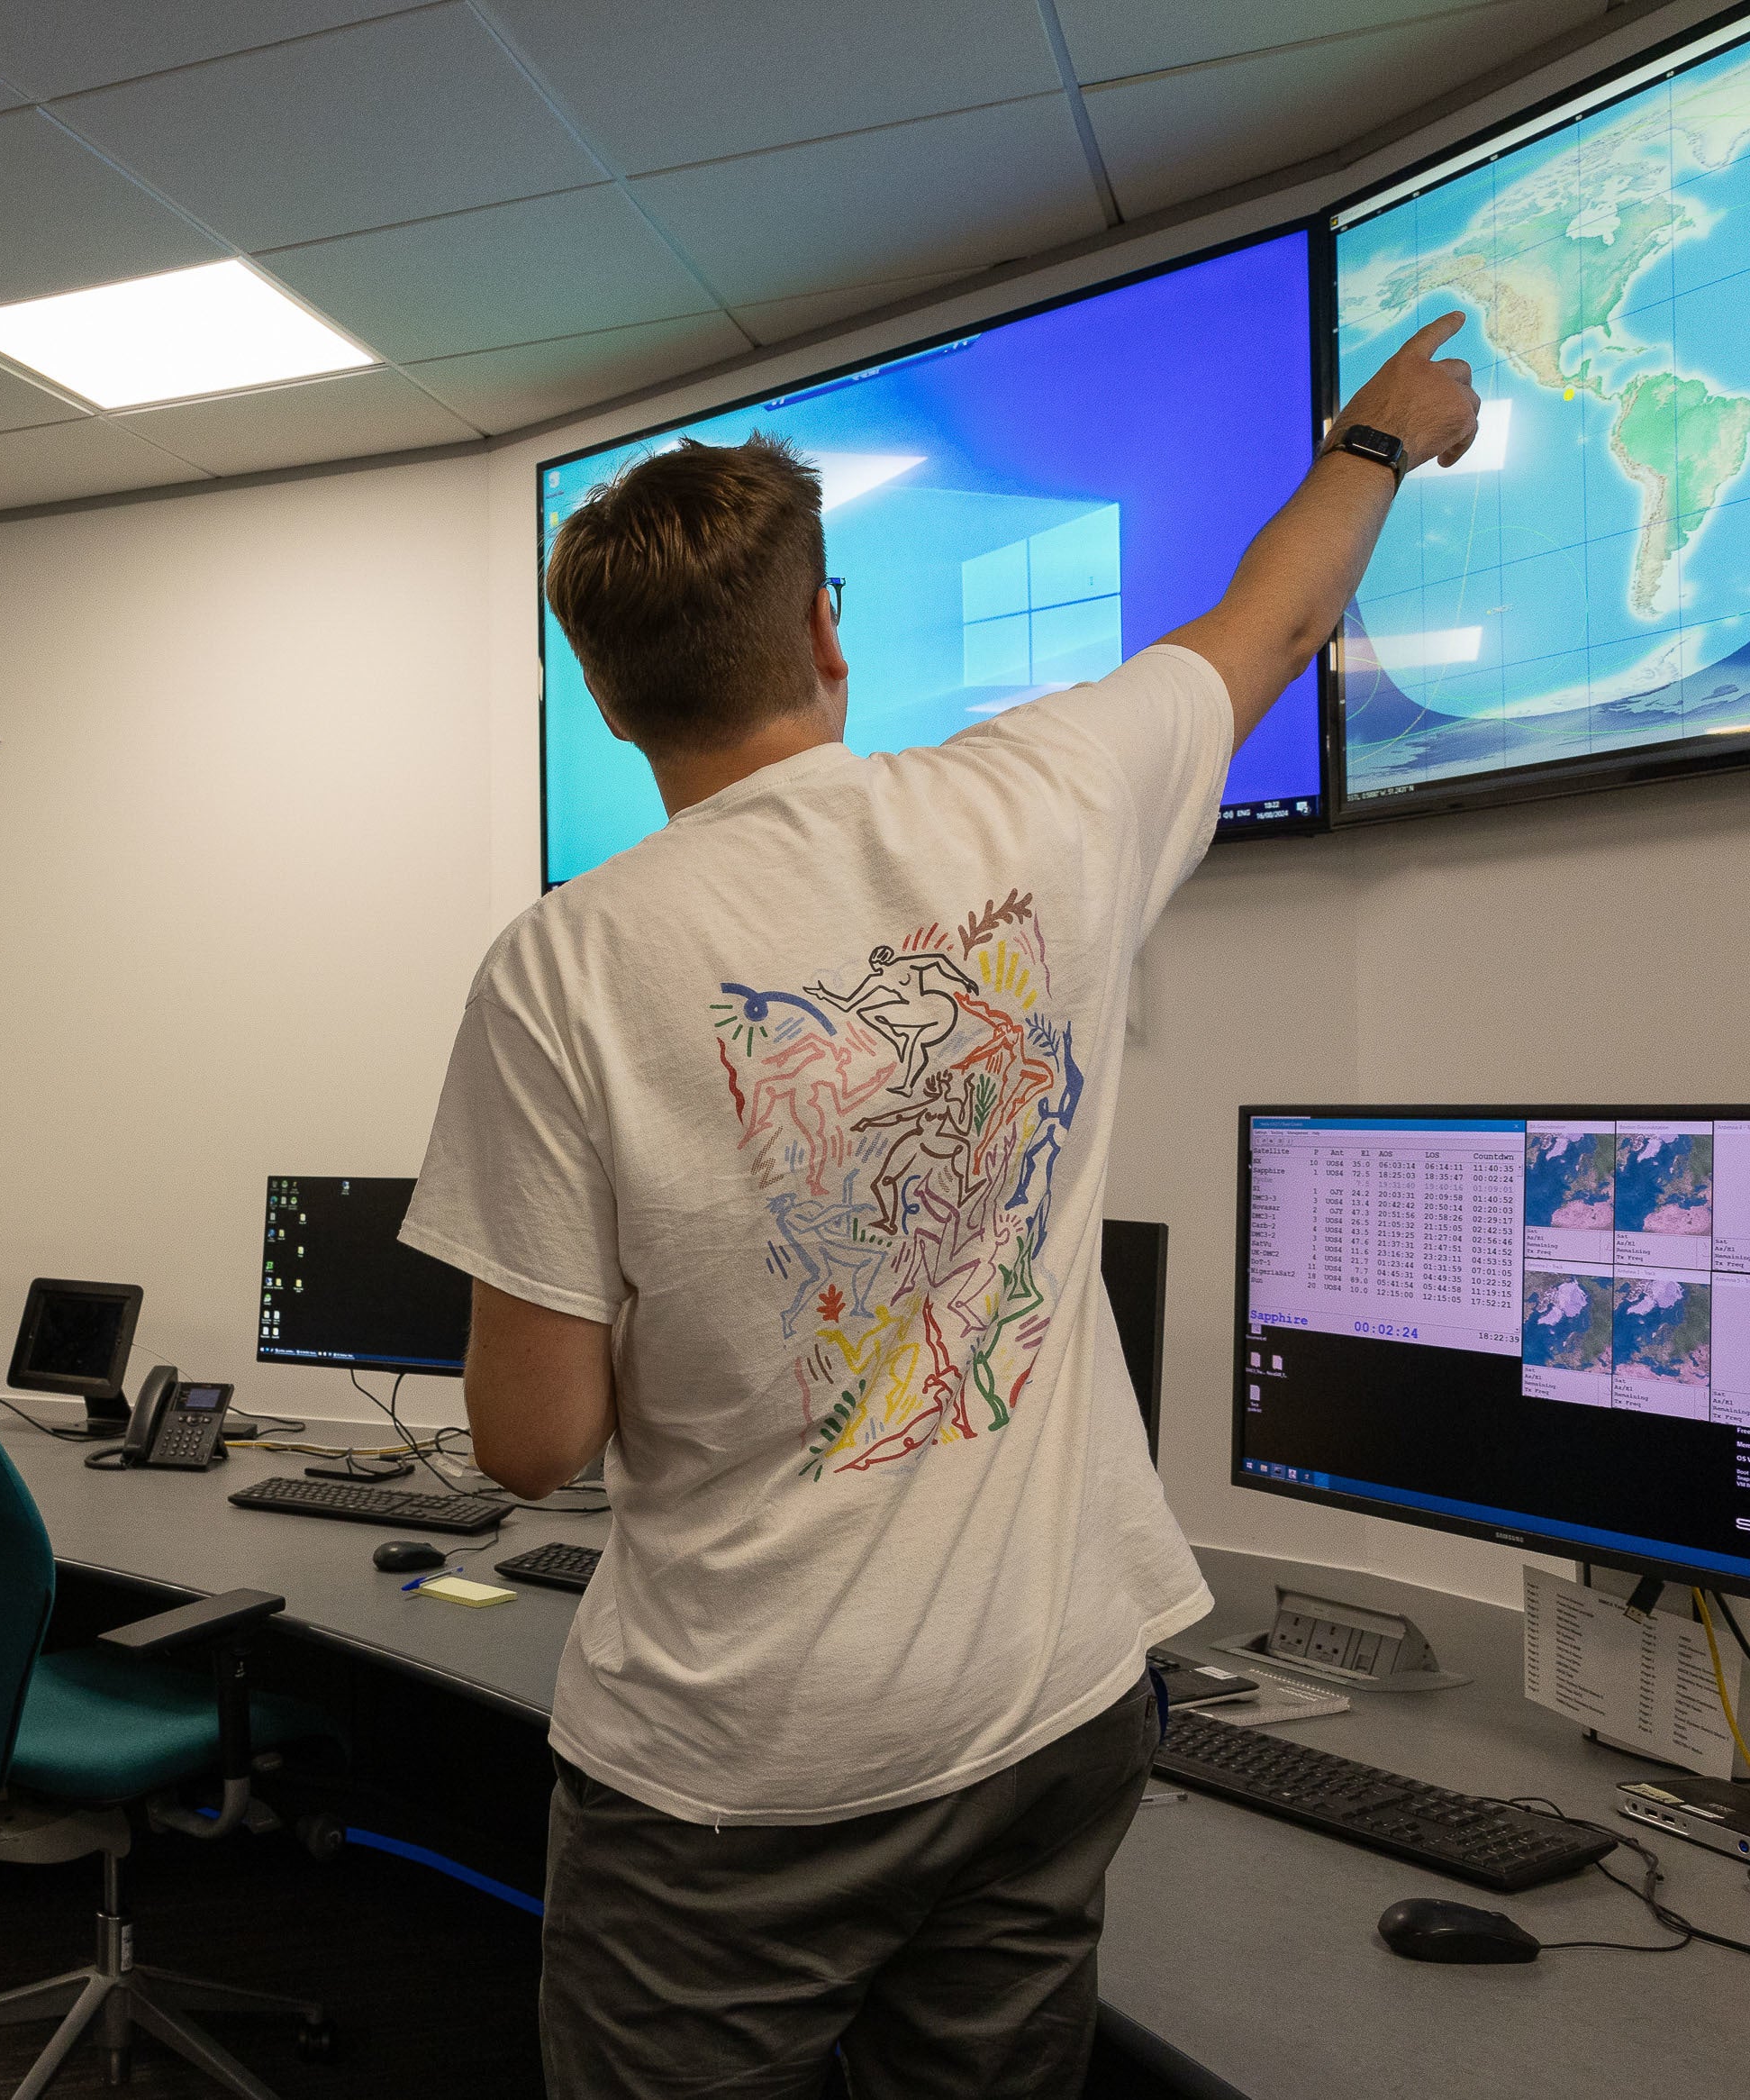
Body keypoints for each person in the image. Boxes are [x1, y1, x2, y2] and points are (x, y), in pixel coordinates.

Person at [401, 321, 1483, 2096]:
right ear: (827, 629)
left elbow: (531, 1442)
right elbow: (1271, 619)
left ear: (604, 695)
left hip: (737, 1771)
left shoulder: (564, 966)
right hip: (1041, 1710)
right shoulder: (1041, 798)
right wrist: (1375, 432)